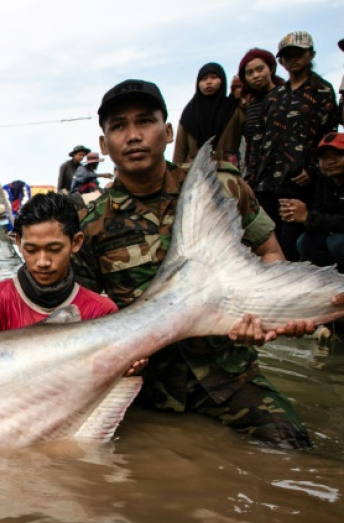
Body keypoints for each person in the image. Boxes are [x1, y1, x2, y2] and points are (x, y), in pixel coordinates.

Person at [72, 78, 317, 449]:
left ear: (168, 131)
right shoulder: (92, 225)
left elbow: (270, 252)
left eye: (145, 122)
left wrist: (270, 312)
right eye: (119, 127)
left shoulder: (216, 187)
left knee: (291, 451)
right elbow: (85, 313)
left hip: (229, 375)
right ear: (104, 145)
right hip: (145, 389)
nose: (134, 135)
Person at [0, 193, 118, 331]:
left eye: (54, 249)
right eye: (31, 250)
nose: (42, 262)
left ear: (76, 242)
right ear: (18, 242)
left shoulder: (101, 311)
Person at [254, 31, 339, 261]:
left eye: (298, 53)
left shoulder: (323, 91)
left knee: (292, 246)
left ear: (311, 54)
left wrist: (312, 169)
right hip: (267, 182)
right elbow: (259, 139)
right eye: (287, 55)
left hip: (298, 183)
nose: (292, 59)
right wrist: (252, 178)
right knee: (265, 243)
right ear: (280, 61)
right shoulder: (274, 96)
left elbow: (328, 137)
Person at [280, 132, 344, 271]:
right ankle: (335, 279)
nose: (331, 161)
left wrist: (308, 217)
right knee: (305, 242)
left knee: (336, 242)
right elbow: (318, 217)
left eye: (338, 155)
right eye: (324, 158)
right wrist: (295, 215)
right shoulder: (324, 182)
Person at [173, 63, 242, 166]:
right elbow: (179, 152)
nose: (209, 82)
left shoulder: (233, 109)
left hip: (228, 174)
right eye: (204, 79)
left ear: (222, 80)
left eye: (214, 77)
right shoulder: (189, 113)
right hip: (196, 175)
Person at [236, 48, 284, 181]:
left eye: (260, 69)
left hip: (284, 174)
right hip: (257, 177)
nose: (255, 76)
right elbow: (251, 144)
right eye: (249, 73)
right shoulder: (251, 106)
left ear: (271, 69)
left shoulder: (286, 97)